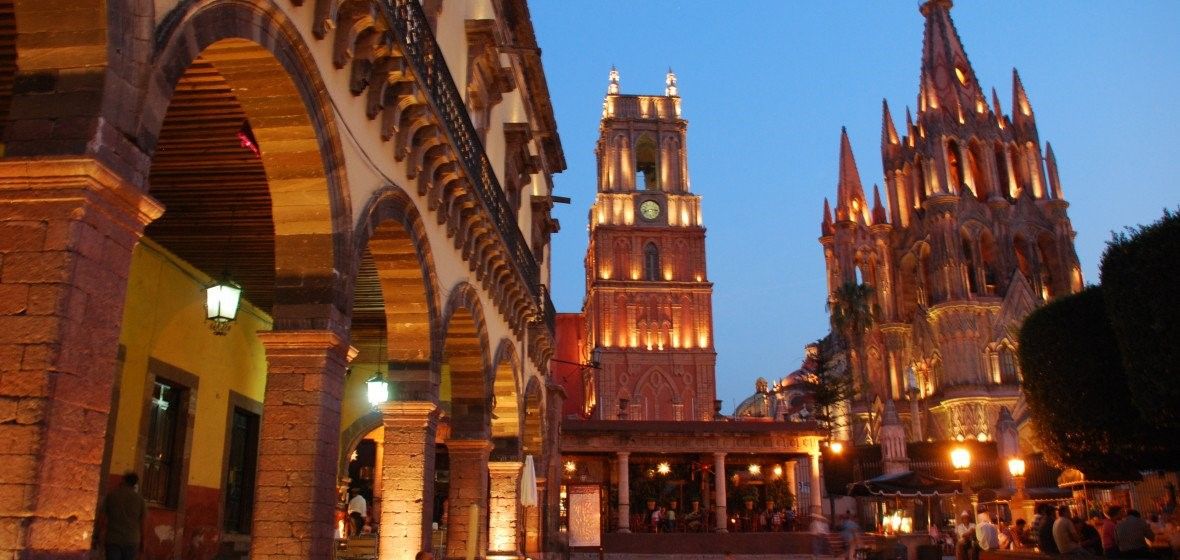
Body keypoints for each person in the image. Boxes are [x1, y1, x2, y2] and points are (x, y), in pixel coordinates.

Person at [98, 472, 147, 560]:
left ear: (123, 480)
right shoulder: (140, 500)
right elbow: (143, 523)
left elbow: (102, 518)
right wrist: (143, 542)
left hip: (113, 539)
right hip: (132, 539)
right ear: (135, 484)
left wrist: (98, 535)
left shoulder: (111, 495)